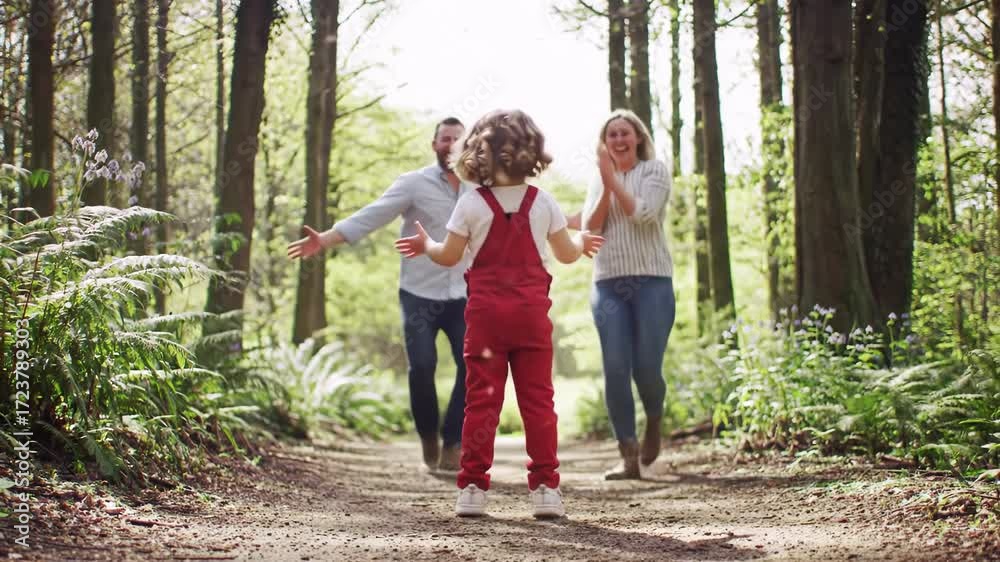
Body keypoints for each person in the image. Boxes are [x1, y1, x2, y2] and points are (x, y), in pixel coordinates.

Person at [395, 109, 604, 518]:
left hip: (486, 321)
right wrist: (581, 240)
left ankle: (472, 487)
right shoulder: (543, 202)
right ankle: (545, 488)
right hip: (530, 319)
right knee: (538, 403)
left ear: (477, 152)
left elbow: (449, 256)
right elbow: (566, 254)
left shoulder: (471, 204)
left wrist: (426, 245)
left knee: (481, 403)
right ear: (532, 152)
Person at [287, 117, 471, 472]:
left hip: (465, 292)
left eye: (457, 139)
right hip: (418, 293)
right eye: (445, 138)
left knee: (472, 366)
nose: (450, 144)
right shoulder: (414, 183)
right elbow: (371, 215)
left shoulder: (479, 189)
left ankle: (453, 441)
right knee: (422, 366)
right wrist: (324, 239)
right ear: (434, 144)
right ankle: (428, 436)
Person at [581, 109, 675, 480]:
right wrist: (606, 184)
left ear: (638, 138)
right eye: (612, 135)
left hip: (652, 281)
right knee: (616, 367)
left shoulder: (654, 171)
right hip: (608, 284)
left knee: (647, 368)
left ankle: (654, 418)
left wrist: (614, 181)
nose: (619, 140)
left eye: (625, 133)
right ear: (605, 144)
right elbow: (590, 229)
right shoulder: (598, 180)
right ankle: (628, 454)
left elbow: (643, 214)